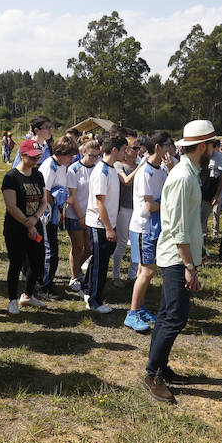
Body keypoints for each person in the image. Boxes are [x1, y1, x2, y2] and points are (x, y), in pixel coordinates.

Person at [143, 120, 216, 403]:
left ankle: (160, 367)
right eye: (212, 144)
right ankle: (153, 375)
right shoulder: (185, 177)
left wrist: (200, 253)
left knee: (168, 314)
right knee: (174, 317)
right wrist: (189, 266)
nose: (215, 148)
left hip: (181, 254)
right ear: (201, 146)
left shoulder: (188, 172)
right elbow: (179, 228)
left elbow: (189, 225)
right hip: (176, 258)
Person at [124, 132, 169, 333]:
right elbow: (150, 205)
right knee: (148, 270)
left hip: (153, 228)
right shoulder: (146, 172)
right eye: (170, 145)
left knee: (145, 271)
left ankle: (140, 308)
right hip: (143, 228)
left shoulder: (161, 170)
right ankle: (132, 314)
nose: (173, 150)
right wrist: (170, 204)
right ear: (158, 147)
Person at [83, 132, 127, 314]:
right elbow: (99, 201)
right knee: (100, 265)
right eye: (124, 150)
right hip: (100, 225)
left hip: (108, 224)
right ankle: (94, 301)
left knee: (98, 262)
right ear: (115, 150)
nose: (126, 153)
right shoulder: (102, 171)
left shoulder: (110, 169)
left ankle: (88, 291)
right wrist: (109, 228)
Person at [2, 139, 47, 314]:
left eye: (38, 158)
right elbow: (11, 206)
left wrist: (35, 219)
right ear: (22, 156)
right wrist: (28, 223)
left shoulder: (38, 175)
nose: (36, 161)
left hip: (35, 225)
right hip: (16, 228)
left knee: (37, 263)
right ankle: (12, 300)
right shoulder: (11, 177)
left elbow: (44, 202)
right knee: (16, 263)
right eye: (33, 157)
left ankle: (28, 295)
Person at [38, 136, 75, 299]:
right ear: (60, 152)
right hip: (44, 215)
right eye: (69, 155)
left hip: (54, 214)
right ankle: (43, 287)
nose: (72, 158)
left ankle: (48, 283)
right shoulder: (50, 166)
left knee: (53, 250)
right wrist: (59, 198)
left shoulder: (61, 166)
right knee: (49, 251)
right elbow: (44, 192)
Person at [64, 139, 98, 292]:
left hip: (91, 215)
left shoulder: (97, 168)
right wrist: (80, 217)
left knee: (89, 248)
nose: (94, 159)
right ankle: (74, 277)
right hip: (74, 214)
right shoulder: (74, 169)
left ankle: (77, 269)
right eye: (91, 155)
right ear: (83, 152)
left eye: (97, 156)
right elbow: (73, 196)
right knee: (78, 246)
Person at [112, 128, 140, 288]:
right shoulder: (118, 165)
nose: (138, 151)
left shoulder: (139, 164)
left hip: (137, 209)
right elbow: (126, 181)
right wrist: (140, 167)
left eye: (138, 148)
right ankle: (116, 275)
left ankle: (132, 276)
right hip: (123, 208)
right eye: (134, 148)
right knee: (122, 243)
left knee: (136, 243)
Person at [208, 138, 222, 238]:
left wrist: (220, 191)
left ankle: (215, 231)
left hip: (218, 186)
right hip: (206, 186)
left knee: (216, 210)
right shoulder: (205, 156)